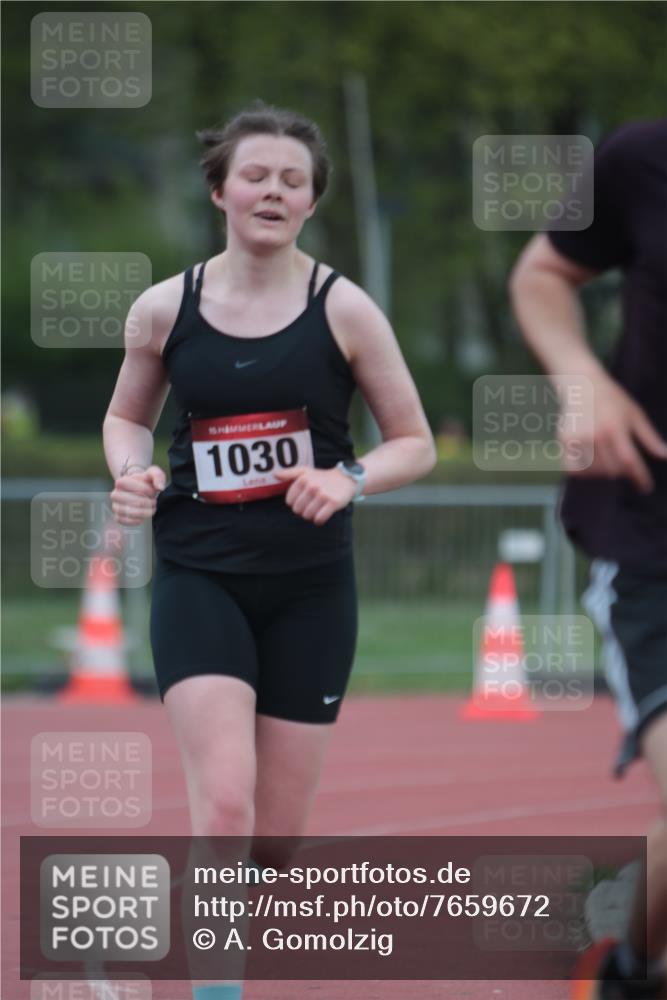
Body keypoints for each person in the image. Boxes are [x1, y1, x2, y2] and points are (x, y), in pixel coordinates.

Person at [103, 103, 436, 999]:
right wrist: (131, 473)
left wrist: (351, 478)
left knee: (273, 844)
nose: (273, 191)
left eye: (293, 180)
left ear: (311, 203)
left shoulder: (345, 308)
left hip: (310, 590)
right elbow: (127, 416)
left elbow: (416, 441)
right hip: (199, 575)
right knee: (222, 802)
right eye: (256, 174)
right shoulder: (164, 307)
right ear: (220, 189)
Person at [510, 119, 667, 1000]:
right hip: (652, 541)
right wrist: (580, 377)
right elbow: (540, 275)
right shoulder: (639, 161)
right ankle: (630, 975)